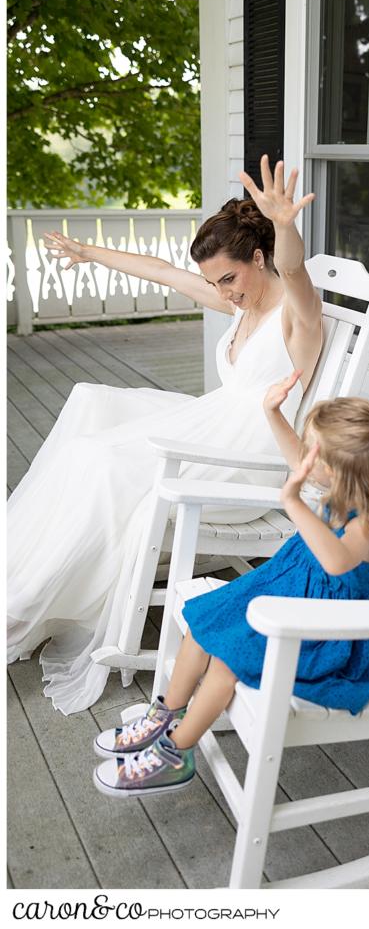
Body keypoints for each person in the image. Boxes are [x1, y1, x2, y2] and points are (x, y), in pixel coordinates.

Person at [7, 156, 324, 715]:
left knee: (101, 461)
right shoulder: (240, 301)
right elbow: (160, 271)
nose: (223, 293)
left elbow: (294, 272)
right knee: (93, 403)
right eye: (214, 283)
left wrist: (284, 224)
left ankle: (24, 601)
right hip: (215, 421)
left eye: (230, 278)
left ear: (259, 256)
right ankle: (20, 570)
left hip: (251, 452)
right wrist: (88, 253)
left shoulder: (297, 317)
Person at [92, 384, 369, 797]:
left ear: (342, 471)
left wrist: (292, 502)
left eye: (315, 452)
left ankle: (177, 753)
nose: (305, 458)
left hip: (328, 629)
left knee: (228, 660)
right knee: (205, 620)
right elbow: (297, 461)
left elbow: (336, 562)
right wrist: (272, 413)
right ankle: (166, 715)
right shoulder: (340, 489)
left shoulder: (368, 523)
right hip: (291, 593)